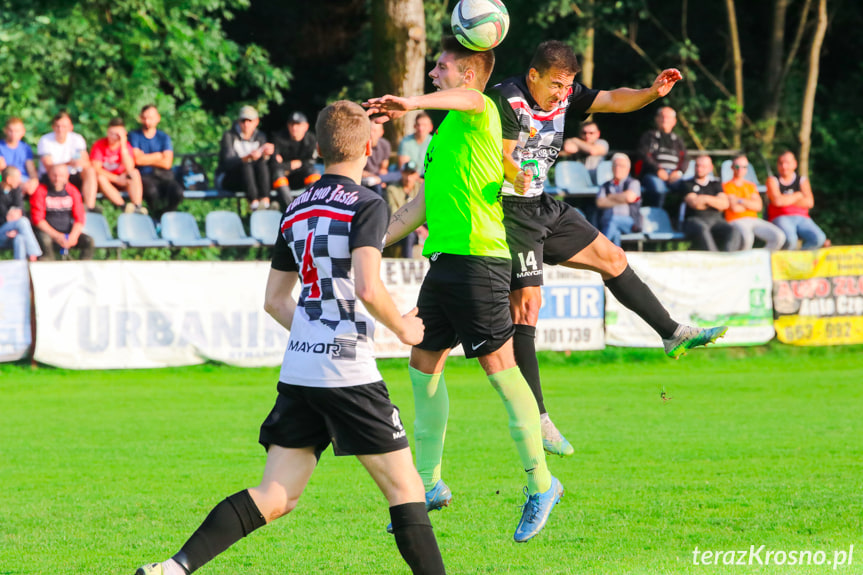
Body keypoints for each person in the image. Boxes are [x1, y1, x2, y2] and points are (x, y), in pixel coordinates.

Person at [134, 101, 446, 575]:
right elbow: (366, 285)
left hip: (301, 368)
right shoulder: (368, 204)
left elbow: (276, 300)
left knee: (275, 495)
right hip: (347, 372)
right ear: (368, 147)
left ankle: (172, 569)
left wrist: (313, 334)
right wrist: (404, 327)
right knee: (407, 491)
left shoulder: (297, 205)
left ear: (317, 149)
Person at [487, 40, 727, 457]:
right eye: (557, 85)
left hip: (543, 204)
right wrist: (515, 171)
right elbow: (505, 153)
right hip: (510, 211)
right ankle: (537, 417)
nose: (563, 94)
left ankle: (671, 334)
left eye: (568, 87)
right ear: (533, 76)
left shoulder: (565, 95)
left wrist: (652, 93)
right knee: (527, 308)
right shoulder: (507, 97)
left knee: (613, 258)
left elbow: (614, 99)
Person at [367, 36, 563, 543]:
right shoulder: (444, 136)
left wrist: (409, 102)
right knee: (422, 365)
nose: (433, 74)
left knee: (500, 370)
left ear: (469, 73)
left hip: (480, 260)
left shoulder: (479, 111)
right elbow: (420, 207)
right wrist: (369, 245)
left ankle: (542, 484)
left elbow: (472, 98)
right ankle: (428, 485)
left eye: (441, 67)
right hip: (445, 264)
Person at [129, 105, 184, 218]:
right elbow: (138, 160)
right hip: (143, 176)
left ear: (158, 118)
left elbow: (167, 163)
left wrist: (146, 158)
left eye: (150, 117)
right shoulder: (134, 136)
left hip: (163, 176)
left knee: (177, 193)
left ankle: (161, 216)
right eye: (144, 118)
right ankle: (153, 217)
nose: (147, 121)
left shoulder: (163, 137)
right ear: (140, 118)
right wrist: (159, 156)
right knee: (152, 192)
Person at [37, 111, 99, 211]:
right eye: (58, 126)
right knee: (59, 173)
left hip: (74, 174)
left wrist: (80, 163)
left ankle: (89, 207)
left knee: (90, 171)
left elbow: (87, 162)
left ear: (70, 127)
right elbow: (49, 166)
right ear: (53, 127)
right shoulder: (45, 141)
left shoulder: (77, 139)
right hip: (53, 176)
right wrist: (69, 163)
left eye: (64, 126)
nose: (60, 129)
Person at [216, 106, 275, 211]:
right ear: (239, 122)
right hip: (228, 178)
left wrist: (267, 155)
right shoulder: (229, 136)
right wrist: (247, 157)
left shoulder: (260, 136)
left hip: (251, 181)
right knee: (246, 165)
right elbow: (228, 163)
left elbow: (262, 163)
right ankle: (254, 204)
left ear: (256, 122)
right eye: (243, 121)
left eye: (249, 121)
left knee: (262, 165)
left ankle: (265, 201)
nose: (246, 124)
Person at [30, 164, 93, 260]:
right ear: (49, 175)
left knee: (88, 241)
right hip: (47, 233)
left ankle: (82, 269)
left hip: (67, 232)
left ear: (67, 176)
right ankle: (48, 262)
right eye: (54, 175)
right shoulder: (41, 191)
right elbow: (38, 220)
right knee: (45, 240)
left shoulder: (72, 191)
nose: (57, 179)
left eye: (61, 176)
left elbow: (80, 217)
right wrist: (57, 236)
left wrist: (73, 236)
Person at [766, 150, 827, 250]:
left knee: (819, 238)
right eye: (781, 163)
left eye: (787, 163)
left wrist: (785, 199)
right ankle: (786, 263)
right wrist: (798, 195)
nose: (784, 166)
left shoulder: (802, 180)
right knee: (791, 240)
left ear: (795, 164)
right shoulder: (772, 180)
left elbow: (809, 202)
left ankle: (800, 260)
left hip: (802, 218)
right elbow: (777, 201)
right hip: (781, 217)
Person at [723, 154, 785, 250]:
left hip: (753, 219)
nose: (740, 169)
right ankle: (744, 262)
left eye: (744, 167)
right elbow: (735, 208)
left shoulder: (751, 186)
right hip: (735, 220)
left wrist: (740, 200)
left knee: (779, 237)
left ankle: (761, 258)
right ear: (732, 167)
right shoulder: (726, 186)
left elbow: (758, 206)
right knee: (748, 238)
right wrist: (750, 203)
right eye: (737, 166)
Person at [681, 155, 742, 251]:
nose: (699, 169)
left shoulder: (716, 184)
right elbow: (695, 203)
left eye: (703, 166)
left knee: (734, 231)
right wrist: (714, 201)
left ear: (710, 168)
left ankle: (728, 259)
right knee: (702, 229)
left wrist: (704, 199)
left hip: (716, 220)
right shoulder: (687, 184)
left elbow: (724, 204)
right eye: (697, 166)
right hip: (695, 220)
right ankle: (715, 259)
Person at [90, 117, 146, 214]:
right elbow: (96, 168)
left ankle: (137, 206)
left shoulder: (126, 146)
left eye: (117, 134)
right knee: (100, 178)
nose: (114, 137)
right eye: (111, 133)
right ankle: (123, 206)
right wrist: (116, 179)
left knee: (134, 173)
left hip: (123, 179)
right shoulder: (99, 145)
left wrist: (123, 145)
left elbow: (129, 167)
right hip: (107, 180)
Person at [637, 106, 687, 208]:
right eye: (662, 116)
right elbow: (644, 155)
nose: (665, 120)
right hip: (653, 174)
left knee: (687, 188)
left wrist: (679, 172)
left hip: (674, 175)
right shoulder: (649, 136)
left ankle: (678, 219)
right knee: (659, 189)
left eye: (668, 117)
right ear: (657, 119)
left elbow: (685, 158)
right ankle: (656, 217)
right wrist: (657, 170)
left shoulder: (677, 140)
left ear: (674, 121)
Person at [270, 111, 318, 204]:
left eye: (298, 124)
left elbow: (311, 163)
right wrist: (289, 165)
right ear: (288, 126)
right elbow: (274, 165)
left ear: (306, 126)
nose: (294, 128)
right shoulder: (278, 139)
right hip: (284, 179)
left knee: (313, 173)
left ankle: (314, 205)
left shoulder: (311, 139)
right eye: (292, 124)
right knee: (278, 174)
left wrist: (299, 163)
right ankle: (291, 208)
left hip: (301, 177)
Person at [595, 153, 641, 247]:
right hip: (608, 222)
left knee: (613, 219)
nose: (617, 168)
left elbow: (630, 197)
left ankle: (600, 247)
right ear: (612, 167)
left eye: (621, 166)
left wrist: (610, 197)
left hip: (630, 222)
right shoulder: (605, 185)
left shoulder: (633, 182)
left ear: (628, 169)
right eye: (615, 165)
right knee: (615, 232)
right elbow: (600, 202)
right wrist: (622, 198)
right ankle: (616, 258)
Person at [0, 167, 42, 261]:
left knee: (20, 238)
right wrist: (10, 223)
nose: (20, 180)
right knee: (22, 222)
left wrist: (14, 228)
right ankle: (35, 253)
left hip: (14, 231)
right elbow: (3, 216)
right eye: (18, 177)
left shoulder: (16, 191)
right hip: (2, 232)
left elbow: (20, 211)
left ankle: (20, 268)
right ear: (9, 179)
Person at [384, 160, 424, 258]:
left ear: (417, 174)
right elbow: (394, 213)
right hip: (402, 227)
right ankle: (409, 265)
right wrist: (418, 227)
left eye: (412, 173)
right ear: (401, 173)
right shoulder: (392, 189)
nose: (408, 177)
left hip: (422, 226)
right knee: (409, 235)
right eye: (406, 173)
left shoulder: (420, 188)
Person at [0, 117, 39, 196]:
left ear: (23, 132)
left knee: (36, 189)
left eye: (17, 131)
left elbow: (31, 169)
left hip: (23, 179)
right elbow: (2, 169)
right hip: (6, 178)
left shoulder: (26, 148)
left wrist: (34, 181)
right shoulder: (1, 146)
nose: (13, 134)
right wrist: (17, 182)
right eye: (11, 130)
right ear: (5, 130)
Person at [398, 112, 434, 176]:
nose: (421, 128)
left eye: (424, 125)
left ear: (431, 127)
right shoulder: (406, 141)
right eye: (418, 125)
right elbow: (404, 167)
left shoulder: (434, 143)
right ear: (414, 126)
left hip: (429, 178)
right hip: (409, 177)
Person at [362, 122, 393, 194]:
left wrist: (381, 179)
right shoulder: (360, 145)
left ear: (381, 132)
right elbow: (357, 170)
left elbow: (383, 168)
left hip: (378, 177)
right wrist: (374, 177)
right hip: (364, 177)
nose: (371, 134)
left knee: (398, 174)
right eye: (370, 130)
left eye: (375, 131)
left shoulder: (385, 145)